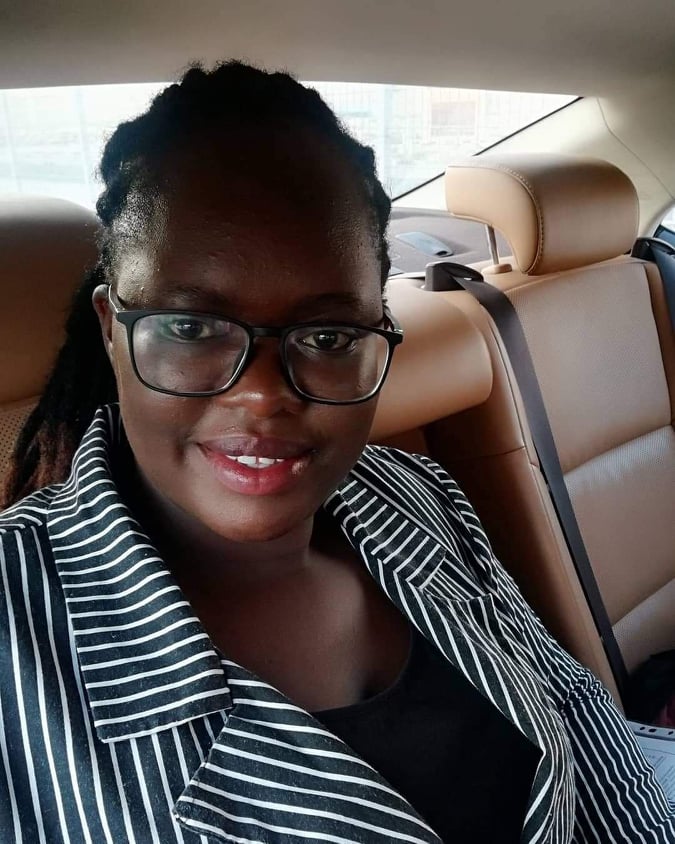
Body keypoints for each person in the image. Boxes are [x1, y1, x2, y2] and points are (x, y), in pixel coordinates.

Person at [0, 61, 672, 844]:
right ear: (112, 331)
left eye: (326, 336)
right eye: (190, 327)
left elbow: (579, 724)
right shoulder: (16, 637)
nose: (261, 395)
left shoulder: (416, 494)